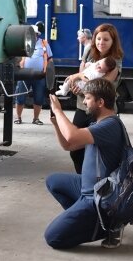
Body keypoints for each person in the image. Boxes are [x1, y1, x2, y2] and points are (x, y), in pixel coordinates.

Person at [44, 79, 126, 249]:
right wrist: (55, 124)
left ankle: (106, 227)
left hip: (97, 197)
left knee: (52, 237)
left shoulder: (110, 125)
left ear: (100, 102)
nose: (84, 102)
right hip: (86, 187)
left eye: (88, 98)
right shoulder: (99, 124)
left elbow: (72, 136)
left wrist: (59, 111)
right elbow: (69, 145)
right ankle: (82, 220)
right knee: (53, 181)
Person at [69, 23, 122, 173]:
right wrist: (76, 84)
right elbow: (80, 78)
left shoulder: (114, 61)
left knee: (98, 152)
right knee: (75, 149)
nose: (101, 42)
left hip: (102, 111)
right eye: (98, 38)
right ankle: (82, 182)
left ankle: (98, 188)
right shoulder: (88, 52)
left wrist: (78, 77)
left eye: (106, 39)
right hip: (83, 107)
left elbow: (102, 85)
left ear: (113, 42)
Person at [14, 21, 53, 125]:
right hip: (24, 74)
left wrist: (50, 75)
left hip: (39, 75)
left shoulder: (44, 43)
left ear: (37, 34)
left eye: (33, 34)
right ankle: (18, 118)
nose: (31, 36)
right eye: (29, 34)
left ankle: (36, 119)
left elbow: (50, 60)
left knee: (39, 98)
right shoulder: (22, 43)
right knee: (20, 97)